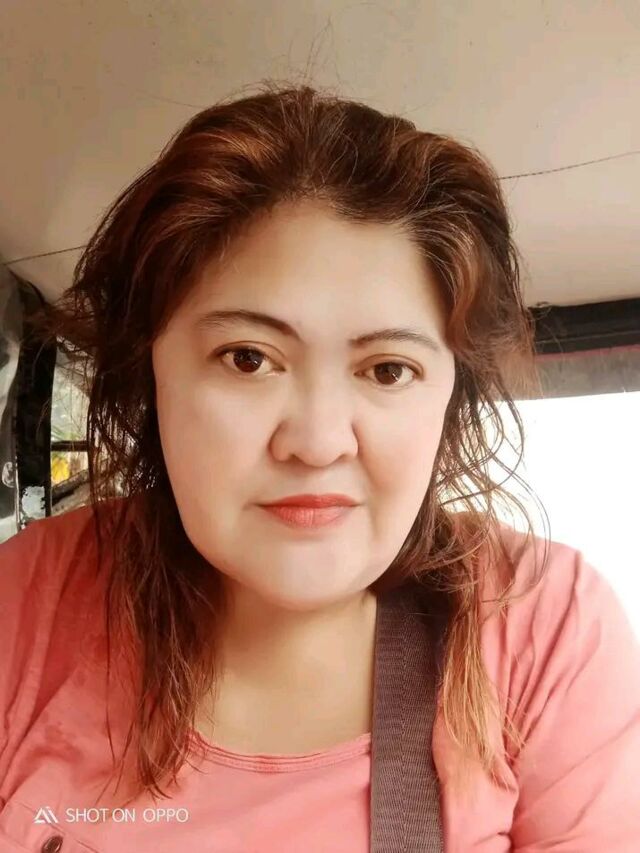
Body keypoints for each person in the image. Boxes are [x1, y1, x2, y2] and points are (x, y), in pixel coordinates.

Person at [1, 83, 639, 852]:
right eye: (248, 358)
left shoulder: (541, 625)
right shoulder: (27, 600)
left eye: (388, 369)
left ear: (448, 400)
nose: (317, 442)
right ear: (151, 372)